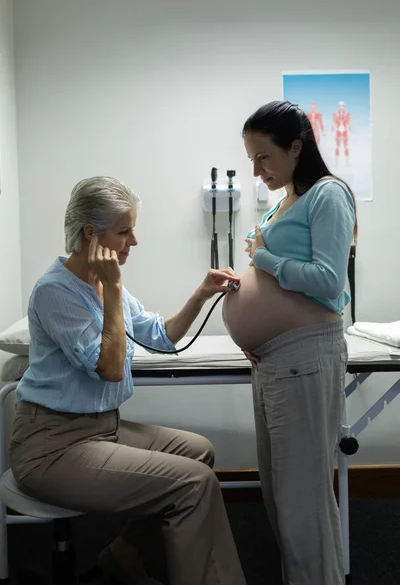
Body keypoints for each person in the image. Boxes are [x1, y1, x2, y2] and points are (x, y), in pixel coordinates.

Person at [9, 176, 246, 585]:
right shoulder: (55, 291)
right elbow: (111, 368)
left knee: (199, 453)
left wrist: (201, 293)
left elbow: (160, 335)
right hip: (51, 447)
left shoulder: (103, 285)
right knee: (194, 484)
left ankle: (125, 553)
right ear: (91, 234)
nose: (133, 241)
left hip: (102, 429)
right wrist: (114, 287)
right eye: (124, 231)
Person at [222, 101, 356, 585]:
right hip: (274, 360)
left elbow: (326, 281)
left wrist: (264, 259)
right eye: (251, 159)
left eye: (263, 158)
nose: (256, 171)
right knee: (279, 493)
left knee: (304, 498)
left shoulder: (328, 195)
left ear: (296, 147)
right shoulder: (285, 200)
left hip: (306, 357)